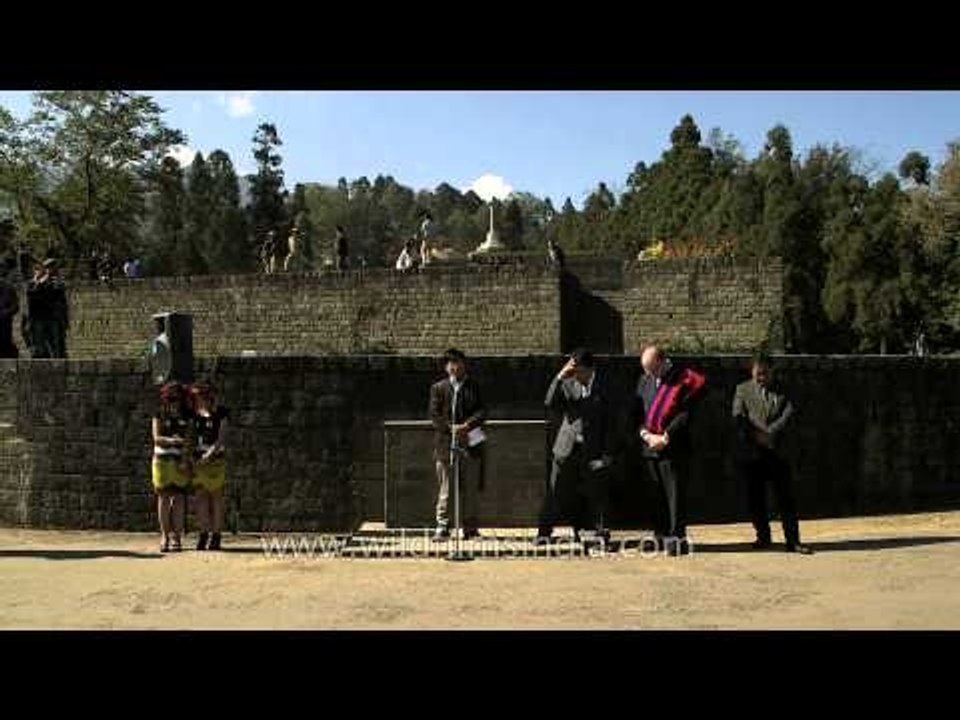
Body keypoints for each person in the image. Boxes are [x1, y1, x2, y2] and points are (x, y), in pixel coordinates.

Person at [733, 352, 812, 554]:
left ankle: (793, 541)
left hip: (779, 451)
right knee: (755, 498)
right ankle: (763, 536)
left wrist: (770, 433)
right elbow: (738, 416)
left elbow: (789, 414)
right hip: (753, 453)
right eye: (757, 374)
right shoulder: (743, 390)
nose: (761, 378)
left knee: (786, 498)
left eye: (765, 374)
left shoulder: (785, 389)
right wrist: (756, 436)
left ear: (772, 372)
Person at [536, 348, 615, 545]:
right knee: (555, 489)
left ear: (590, 369)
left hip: (594, 449)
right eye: (574, 371)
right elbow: (549, 402)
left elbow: (613, 422)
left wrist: (608, 452)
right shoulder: (568, 383)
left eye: (580, 371)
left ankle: (601, 531)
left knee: (597, 492)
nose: (577, 375)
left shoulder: (606, 386)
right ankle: (544, 532)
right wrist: (560, 376)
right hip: (566, 448)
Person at [633, 344, 706, 556]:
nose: (649, 374)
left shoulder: (684, 379)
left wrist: (665, 437)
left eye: (653, 369)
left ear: (663, 361)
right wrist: (646, 435)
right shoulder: (644, 380)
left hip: (674, 446)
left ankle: (677, 538)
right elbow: (637, 413)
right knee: (655, 495)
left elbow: (686, 413)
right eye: (646, 369)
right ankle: (659, 535)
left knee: (675, 495)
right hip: (649, 446)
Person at [429, 348, 486, 540]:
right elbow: (434, 415)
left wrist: (466, 426)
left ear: (464, 364)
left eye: (458, 362)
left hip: (470, 443)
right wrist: (450, 428)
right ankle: (443, 526)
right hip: (445, 445)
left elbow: (482, 412)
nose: (455, 367)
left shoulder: (474, 387)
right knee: (446, 488)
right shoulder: (438, 388)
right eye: (451, 363)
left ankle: (470, 528)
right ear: (446, 367)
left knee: (470, 489)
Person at [188, 382, 229, 551]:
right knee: (201, 497)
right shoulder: (194, 414)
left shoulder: (221, 413)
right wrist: (192, 457)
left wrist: (209, 455)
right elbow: (190, 437)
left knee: (216, 497)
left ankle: (216, 535)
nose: (197, 399)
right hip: (199, 460)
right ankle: (203, 533)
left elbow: (221, 438)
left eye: (199, 396)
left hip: (215, 460)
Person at [152, 383, 192, 552]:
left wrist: (184, 460)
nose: (173, 402)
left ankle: (177, 536)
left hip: (179, 461)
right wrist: (173, 441)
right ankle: (164, 536)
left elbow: (188, 441)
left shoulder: (187, 416)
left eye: (176, 398)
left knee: (179, 498)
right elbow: (156, 438)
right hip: (161, 460)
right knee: (163, 498)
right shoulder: (159, 414)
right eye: (169, 398)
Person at [24, 259, 68, 359]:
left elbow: (58, 295)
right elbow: (32, 294)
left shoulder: (55, 283)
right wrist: (39, 282)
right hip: (37, 319)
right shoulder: (31, 284)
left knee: (56, 347)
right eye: (37, 270)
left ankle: (57, 365)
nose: (42, 272)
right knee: (39, 347)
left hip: (52, 318)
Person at [0, 257, 20, 358]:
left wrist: (5, 313)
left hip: (5, 324)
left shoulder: (9, 288)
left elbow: (16, 306)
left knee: (5, 346)